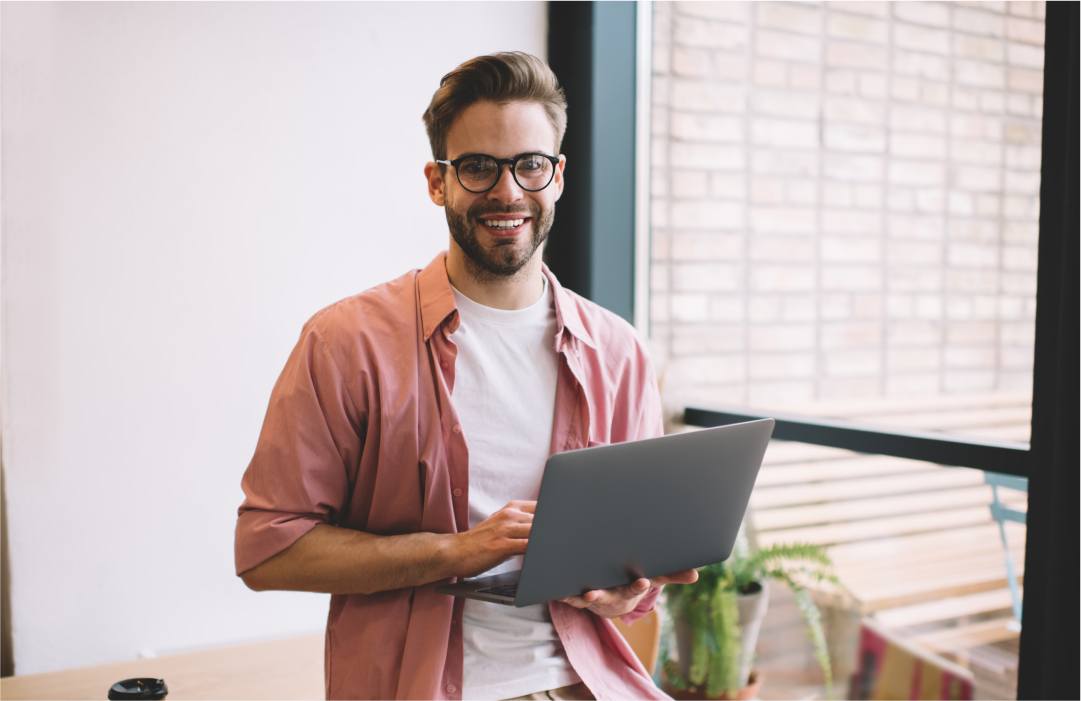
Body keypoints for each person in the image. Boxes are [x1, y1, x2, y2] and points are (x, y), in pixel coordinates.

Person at [234, 52, 696, 701]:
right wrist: (455, 550)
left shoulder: (618, 351)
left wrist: (628, 587)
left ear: (557, 176)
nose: (507, 192)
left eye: (529, 164)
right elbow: (267, 550)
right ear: (437, 181)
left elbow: (631, 566)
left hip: (585, 679)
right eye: (478, 167)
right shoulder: (345, 342)